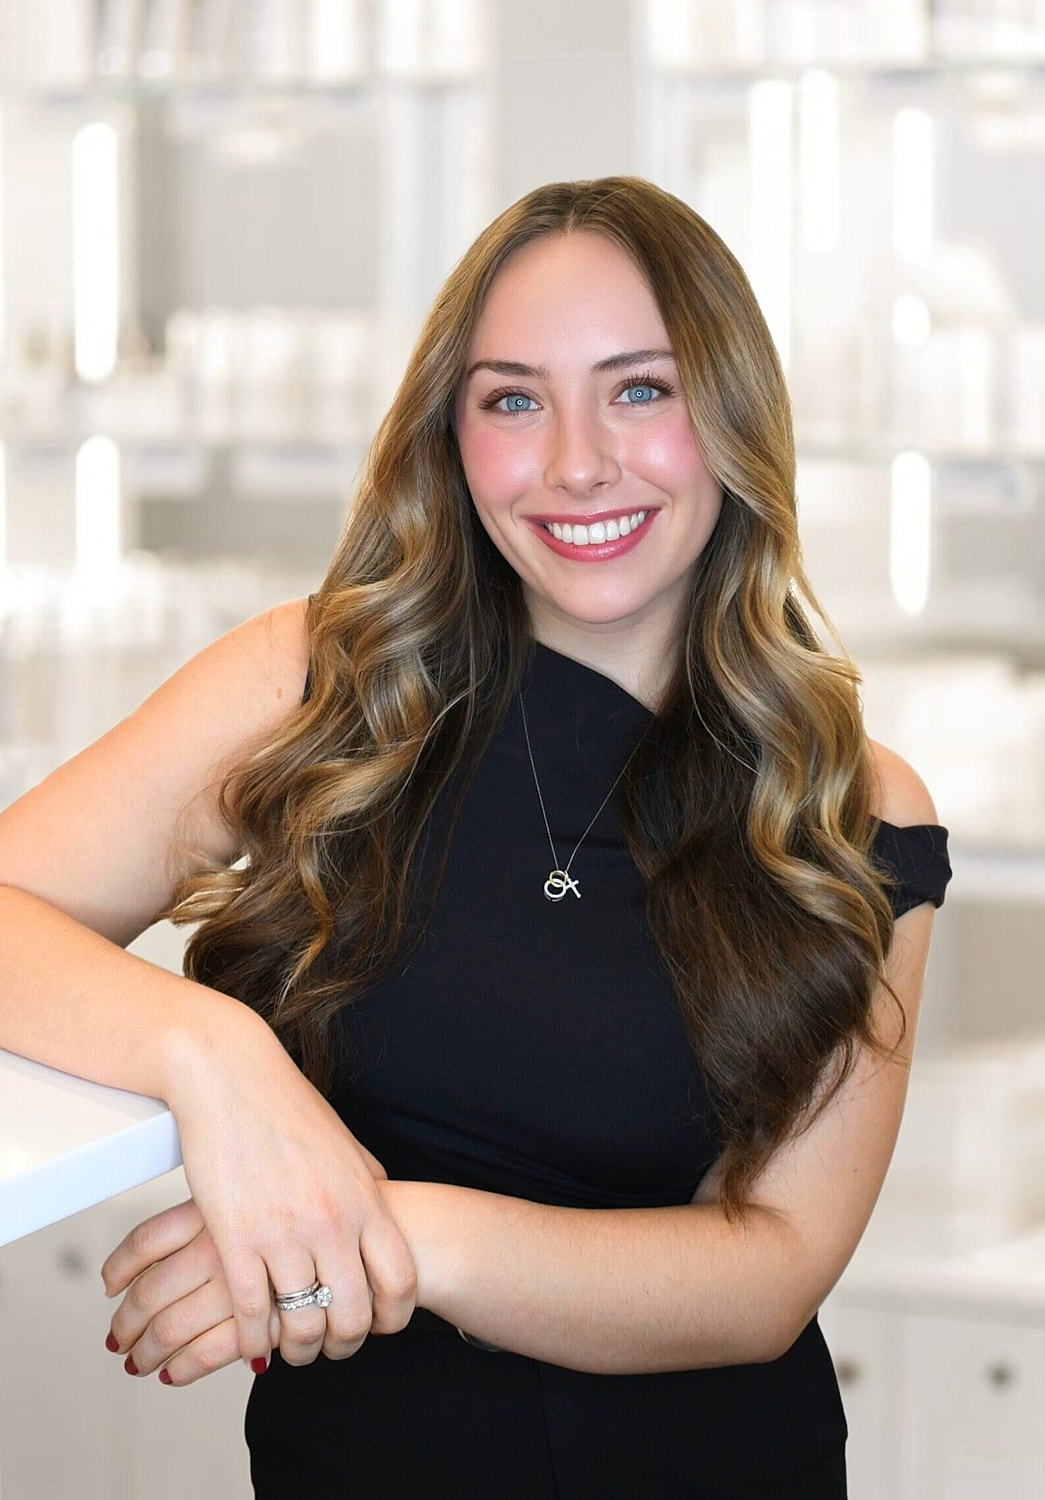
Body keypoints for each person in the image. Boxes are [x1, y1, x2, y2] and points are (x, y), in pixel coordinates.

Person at [0, 176, 951, 1498]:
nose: (575, 460)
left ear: (731, 417)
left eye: (639, 388)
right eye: (513, 398)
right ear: (450, 435)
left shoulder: (851, 806)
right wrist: (212, 1056)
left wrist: (375, 1230)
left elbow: (766, 1274)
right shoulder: (315, 687)